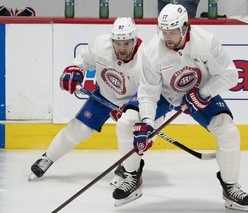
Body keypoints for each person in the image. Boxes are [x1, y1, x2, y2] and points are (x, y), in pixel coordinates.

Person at [127, 3, 248, 212]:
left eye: (172, 32)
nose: (167, 37)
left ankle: (230, 186)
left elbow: (230, 75)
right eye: (164, 31)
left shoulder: (205, 42)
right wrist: (147, 122)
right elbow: (149, 92)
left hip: (199, 93)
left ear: (185, 28)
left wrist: (202, 93)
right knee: (128, 122)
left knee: (228, 131)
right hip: (165, 94)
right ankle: (132, 176)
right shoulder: (152, 51)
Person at [29, 17, 164, 203]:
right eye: (118, 43)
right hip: (105, 97)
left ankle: (130, 170)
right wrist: (74, 70)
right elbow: (83, 59)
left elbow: (152, 92)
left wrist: (129, 107)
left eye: (126, 43)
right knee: (77, 129)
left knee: (133, 132)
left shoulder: (146, 57)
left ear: (134, 40)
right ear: (112, 41)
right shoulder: (101, 45)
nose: (122, 48)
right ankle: (48, 157)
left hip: (136, 104)